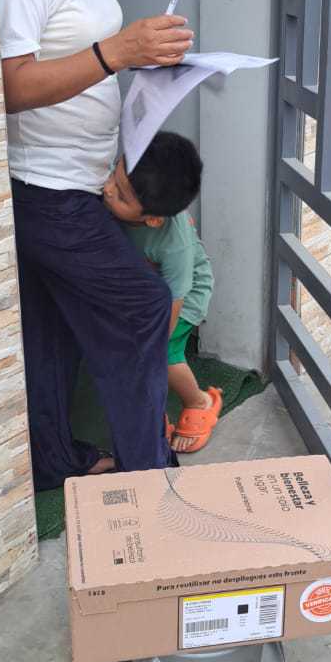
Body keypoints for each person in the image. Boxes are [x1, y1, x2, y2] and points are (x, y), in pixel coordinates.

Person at [0, 0, 194, 491]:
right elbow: (9, 85)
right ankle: (148, 479)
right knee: (142, 308)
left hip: (85, 172)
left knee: (49, 328)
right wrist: (118, 52)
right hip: (44, 186)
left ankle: (53, 462)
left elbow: (83, 43)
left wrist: (146, 58)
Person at [102, 134, 222, 454]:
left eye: (121, 195)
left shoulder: (173, 244)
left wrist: (157, 341)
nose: (108, 189)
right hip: (147, 290)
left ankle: (200, 401)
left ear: (153, 219)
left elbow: (176, 296)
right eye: (115, 172)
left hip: (184, 297)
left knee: (164, 355)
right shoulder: (121, 191)